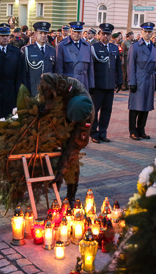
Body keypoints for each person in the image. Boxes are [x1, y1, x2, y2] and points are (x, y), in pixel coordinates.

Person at [39, 73, 94, 204]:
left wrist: (61, 172)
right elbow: (46, 77)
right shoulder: (67, 85)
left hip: (78, 123)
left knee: (72, 159)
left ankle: (71, 195)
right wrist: (48, 103)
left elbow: (73, 148)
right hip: (60, 109)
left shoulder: (86, 119)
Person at [89, 23, 123, 143]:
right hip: (98, 85)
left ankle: (103, 132)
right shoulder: (94, 47)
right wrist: (91, 84)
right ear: (99, 34)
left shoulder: (114, 48)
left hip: (109, 84)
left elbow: (118, 65)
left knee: (107, 110)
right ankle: (94, 133)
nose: (106, 36)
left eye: (108, 34)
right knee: (95, 110)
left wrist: (120, 81)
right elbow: (91, 67)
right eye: (103, 34)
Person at [128, 22, 156, 141]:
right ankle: (132, 131)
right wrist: (131, 82)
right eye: (145, 32)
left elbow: (155, 66)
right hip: (138, 78)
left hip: (149, 79)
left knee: (146, 106)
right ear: (141, 32)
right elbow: (131, 65)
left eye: (149, 32)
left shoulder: (154, 47)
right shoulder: (135, 46)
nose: (147, 34)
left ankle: (141, 129)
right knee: (135, 107)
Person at [55, 21, 94, 90]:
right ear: (70, 31)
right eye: (74, 32)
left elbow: (90, 68)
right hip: (69, 84)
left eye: (78, 32)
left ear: (81, 33)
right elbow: (59, 68)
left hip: (83, 84)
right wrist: (60, 85)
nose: (76, 34)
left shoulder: (87, 46)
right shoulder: (62, 46)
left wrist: (91, 85)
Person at [22, 21, 56, 96]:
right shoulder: (27, 50)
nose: (43, 35)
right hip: (33, 89)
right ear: (35, 34)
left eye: (45, 33)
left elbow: (54, 71)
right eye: (40, 33)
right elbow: (23, 73)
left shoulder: (52, 50)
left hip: (48, 90)